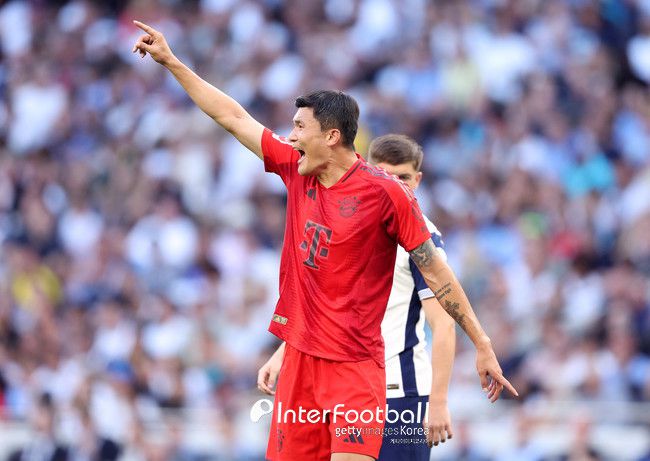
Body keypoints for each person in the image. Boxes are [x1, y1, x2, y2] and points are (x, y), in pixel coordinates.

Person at [132, 21, 517, 461]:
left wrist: (482, 344)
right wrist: (172, 62)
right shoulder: (296, 169)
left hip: (355, 369)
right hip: (300, 363)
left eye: (299, 127)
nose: (291, 136)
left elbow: (437, 273)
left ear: (331, 137)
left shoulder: (386, 195)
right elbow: (233, 117)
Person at [258, 134, 457, 460]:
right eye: (386, 175)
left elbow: (444, 324)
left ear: (418, 180)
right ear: (367, 170)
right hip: (347, 386)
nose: (395, 185)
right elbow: (328, 306)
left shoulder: (423, 238)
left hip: (400, 393)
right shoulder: (348, 225)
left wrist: (438, 401)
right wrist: (284, 352)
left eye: (404, 177)